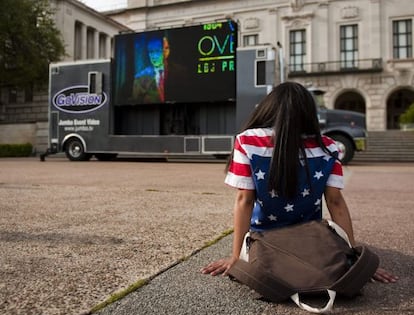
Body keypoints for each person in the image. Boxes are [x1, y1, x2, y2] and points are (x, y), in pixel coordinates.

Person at [201, 81, 398, 284]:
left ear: (269, 109)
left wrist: (237, 257)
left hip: (264, 239)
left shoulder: (248, 141)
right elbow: (335, 202)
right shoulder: (329, 147)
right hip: (310, 238)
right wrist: (355, 256)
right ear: (308, 112)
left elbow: (245, 201)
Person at [132, 36, 169, 103]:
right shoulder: (140, 77)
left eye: (157, 51)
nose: (154, 56)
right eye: (151, 52)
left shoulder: (178, 72)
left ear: (165, 52)